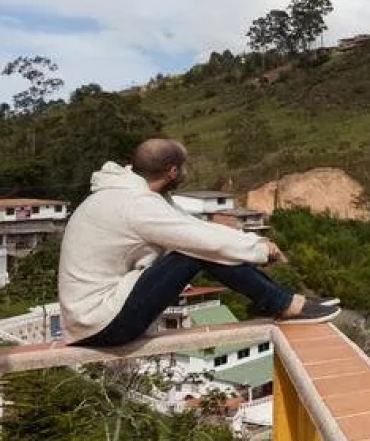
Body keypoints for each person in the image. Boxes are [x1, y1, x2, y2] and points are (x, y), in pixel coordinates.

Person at [59, 138, 339, 347]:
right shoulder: (136, 205)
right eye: (183, 169)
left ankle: (282, 300)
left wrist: (255, 240)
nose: (184, 173)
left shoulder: (131, 196)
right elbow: (200, 241)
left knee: (198, 245)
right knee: (195, 251)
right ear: (172, 172)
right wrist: (261, 250)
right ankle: (283, 304)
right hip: (101, 324)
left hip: (93, 319)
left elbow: (195, 228)